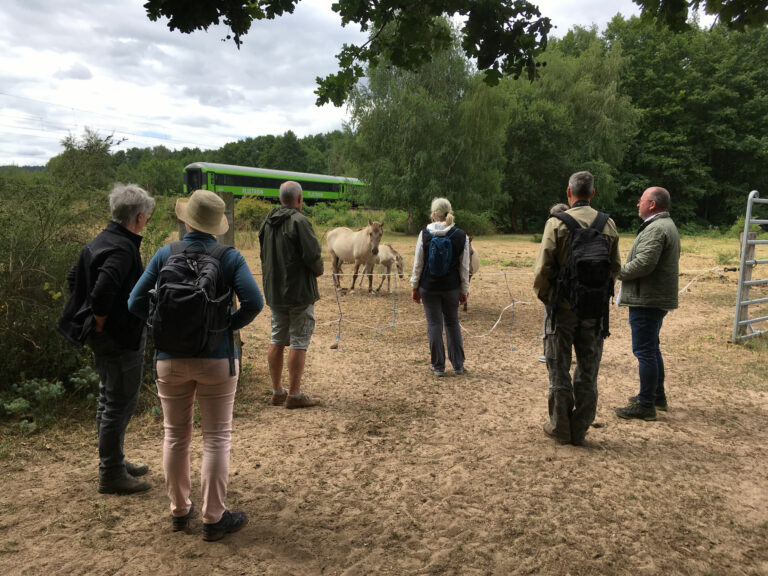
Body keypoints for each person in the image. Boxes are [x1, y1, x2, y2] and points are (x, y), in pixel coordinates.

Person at [128, 189, 264, 541]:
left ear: (185, 220)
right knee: (216, 438)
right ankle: (214, 518)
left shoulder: (164, 254)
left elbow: (134, 302)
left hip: (169, 360)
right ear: (216, 225)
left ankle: (178, 512)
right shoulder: (229, 257)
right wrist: (226, 325)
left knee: (175, 435)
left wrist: (159, 326)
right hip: (217, 358)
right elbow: (254, 301)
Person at [58, 183, 155, 494]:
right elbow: (101, 291)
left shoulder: (102, 238)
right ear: (139, 217)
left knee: (108, 398)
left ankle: (114, 460)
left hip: (106, 338)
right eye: (148, 217)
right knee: (118, 403)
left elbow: (75, 278)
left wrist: (90, 317)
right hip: (118, 338)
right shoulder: (123, 248)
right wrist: (100, 319)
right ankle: (111, 472)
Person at [533, 171, 621, 445]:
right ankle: (580, 427)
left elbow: (542, 270)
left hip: (562, 309)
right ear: (592, 194)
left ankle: (560, 427)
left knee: (558, 367)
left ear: (568, 193)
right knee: (588, 369)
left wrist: (550, 299)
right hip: (594, 312)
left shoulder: (556, 224)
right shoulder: (608, 225)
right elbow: (615, 269)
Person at [615, 187, 680, 421]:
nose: (637, 204)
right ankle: (656, 397)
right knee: (651, 348)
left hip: (648, 299)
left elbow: (644, 263)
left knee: (644, 351)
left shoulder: (657, 228)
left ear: (652, 204)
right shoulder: (662, 226)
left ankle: (645, 405)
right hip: (653, 297)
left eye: (641, 200)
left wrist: (615, 271)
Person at [259, 181, 324, 409]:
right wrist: (319, 271)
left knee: (277, 338)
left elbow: (263, 255)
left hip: (275, 292)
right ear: (299, 199)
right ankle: (294, 395)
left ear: (280, 199)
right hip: (298, 292)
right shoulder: (300, 221)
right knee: (299, 340)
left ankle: (277, 391)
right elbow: (313, 255)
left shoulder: (266, 222)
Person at [410, 197, 471, 376]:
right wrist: (464, 290)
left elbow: (418, 264)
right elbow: (465, 267)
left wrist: (414, 286)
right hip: (452, 287)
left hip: (428, 287)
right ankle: (458, 365)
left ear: (434, 214)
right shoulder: (461, 235)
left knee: (434, 324)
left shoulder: (424, 234)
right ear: (449, 212)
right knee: (452, 323)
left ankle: (438, 366)